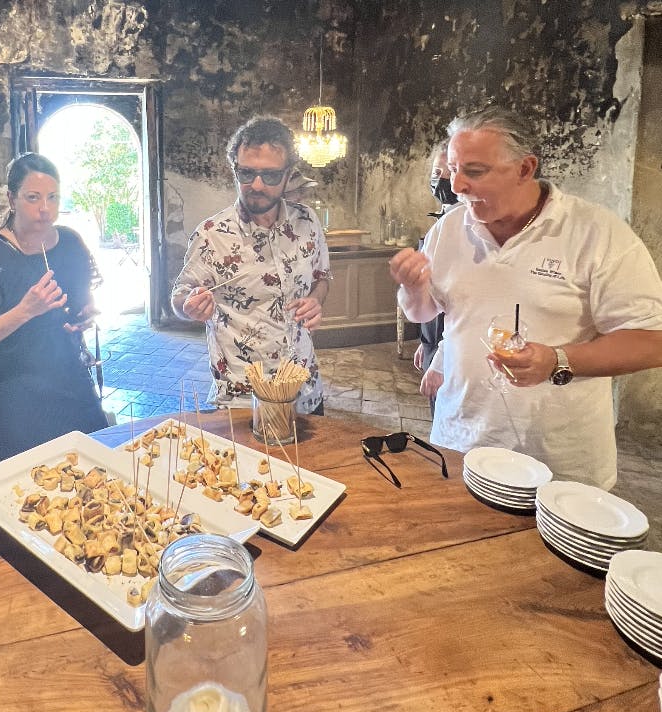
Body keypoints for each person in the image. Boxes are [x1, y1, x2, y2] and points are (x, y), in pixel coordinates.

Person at [390, 106, 662, 489]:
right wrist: (413, 287)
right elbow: (425, 312)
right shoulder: (450, 228)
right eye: (453, 170)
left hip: (559, 461)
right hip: (461, 441)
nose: (457, 186)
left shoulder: (596, 233)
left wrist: (557, 360)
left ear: (524, 168)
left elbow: (650, 342)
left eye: (474, 171)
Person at [0, 152, 108, 468]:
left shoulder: (70, 243)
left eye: (53, 197)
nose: (45, 209)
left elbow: (81, 301)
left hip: (68, 378)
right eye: (33, 198)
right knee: (24, 487)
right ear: (11, 198)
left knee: (90, 469)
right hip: (11, 395)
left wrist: (85, 316)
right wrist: (24, 311)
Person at [171, 116, 332, 414]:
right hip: (242, 399)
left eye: (270, 176)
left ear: (288, 175)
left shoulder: (307, 222)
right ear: (234, 169)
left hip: (304, 390)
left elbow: (322, 277)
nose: (256, 185)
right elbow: (180, 296)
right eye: (246, 173)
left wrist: (314, 300)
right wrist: (189, 305)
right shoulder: (211, 235)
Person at [412, 141, 459, 412]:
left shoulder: (463, 226)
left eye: (448, 171)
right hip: (435, 341)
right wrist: (425, 342)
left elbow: (456, 300)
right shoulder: (442, 220)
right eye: (436, 171)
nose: (440, 178)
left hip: (451, 345)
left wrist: (440, 357)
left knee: (445, 408)